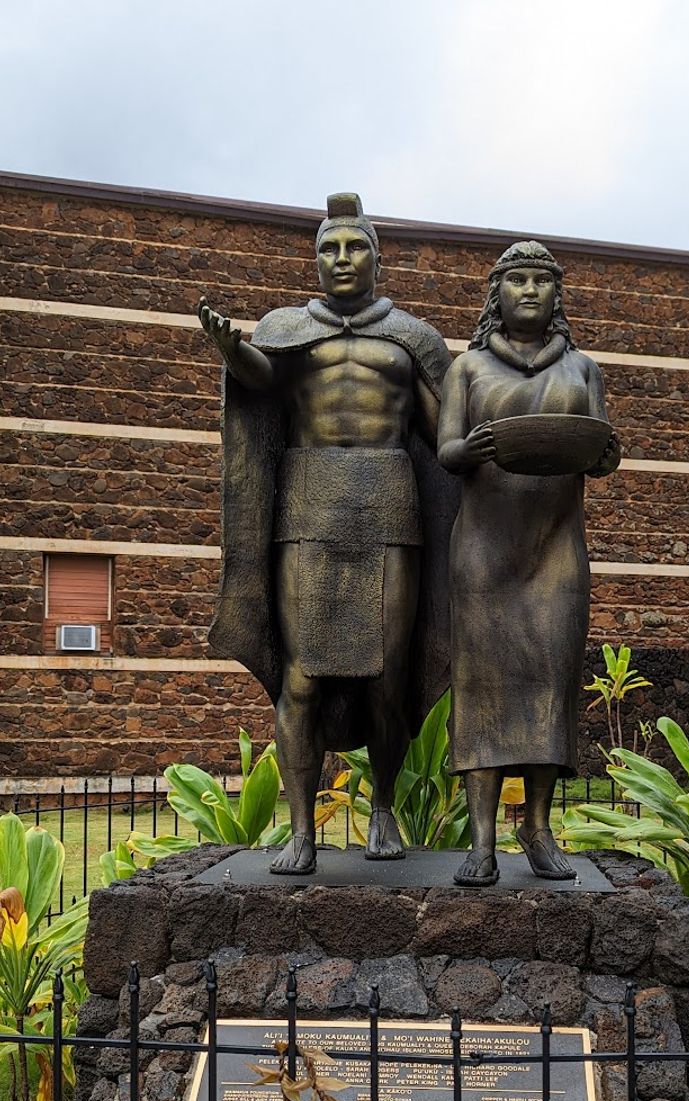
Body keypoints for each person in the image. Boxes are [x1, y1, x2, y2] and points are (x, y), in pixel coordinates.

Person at [197, 194, 456, 875]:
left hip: (390, 511)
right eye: (329, 249)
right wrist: (233, 351)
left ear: (377, 256)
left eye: (355, 247)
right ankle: (302, 831)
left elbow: (445, 436)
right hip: (308, 513)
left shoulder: (414, 338)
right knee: (302, 680)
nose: (341, 259)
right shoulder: (285, 328)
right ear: (315, 261)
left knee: (386, 679)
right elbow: (262, 379)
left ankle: (385, 808)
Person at [437, 241, 619, 887]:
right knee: (482, 690)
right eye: (518, 279)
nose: (531, 290)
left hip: (556, 551)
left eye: (542, 280)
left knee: (552, 686)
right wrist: (471, 447)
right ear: (497, 291)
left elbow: (601, 447)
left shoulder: (584, 370)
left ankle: (537, 827)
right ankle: (481, 840)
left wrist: (604, 456)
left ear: (557, 293)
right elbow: (445, 452)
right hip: (485, 554)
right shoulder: (467, 369)